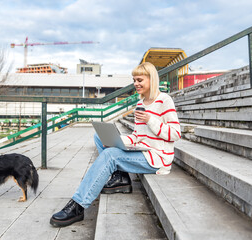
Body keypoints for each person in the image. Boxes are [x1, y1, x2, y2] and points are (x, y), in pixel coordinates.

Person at [50, 62, 181, 227]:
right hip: (144, 150)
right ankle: (121, 177)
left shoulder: (164, 101)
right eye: (134, 80)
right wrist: (117, 142)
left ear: (151, 79)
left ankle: (78, 206)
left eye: (140, 80)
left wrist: (151, 120)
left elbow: (176, 133)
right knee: (100, 137)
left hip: (158, 157)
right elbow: (138, 136)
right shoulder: (140, 104)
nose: (136, 84)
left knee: (110, 155)